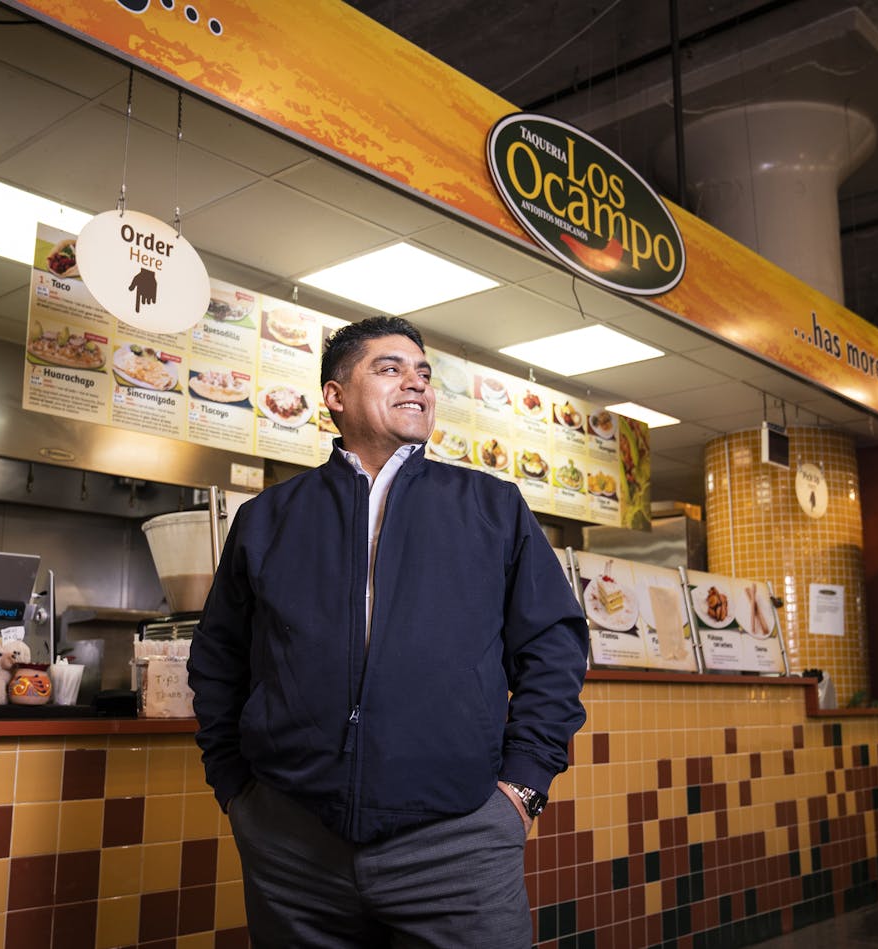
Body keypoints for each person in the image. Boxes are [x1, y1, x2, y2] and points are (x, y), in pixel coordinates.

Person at [189, 315, 589, 947]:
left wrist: (522, 788)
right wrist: (235, 787)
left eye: (424, 373)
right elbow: (218, 657)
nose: (417, 383)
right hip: (292, 847)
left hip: (458, 845)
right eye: (390, 368)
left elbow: (555, 648)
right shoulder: (267, 519)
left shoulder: (492, 507)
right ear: (335, 395)